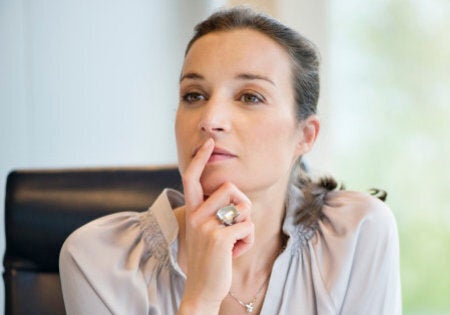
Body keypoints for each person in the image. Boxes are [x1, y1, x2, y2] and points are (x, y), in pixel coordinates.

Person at [59, 6, 401, 315]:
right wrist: (200, 300)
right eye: (194, 95)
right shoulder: (96, 258)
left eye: (250, 96)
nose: (211, 118)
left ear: (305, 135)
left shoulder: (357, 233)